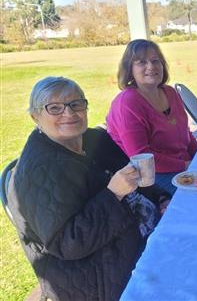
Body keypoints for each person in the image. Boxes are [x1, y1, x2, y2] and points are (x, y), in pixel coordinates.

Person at [7, 77, 170, 301]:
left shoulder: (95, 138)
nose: (69, 113)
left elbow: (133, 174)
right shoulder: (39, 171)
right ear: (35, 116)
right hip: (96, 272)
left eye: (76, 104)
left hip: (137, 232)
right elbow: (68, 244)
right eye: (55, 108)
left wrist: (160, 198)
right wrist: (114, 194)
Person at [107, 39, 197, 195]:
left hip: (185, 165)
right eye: (141, 62)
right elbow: (142, 158)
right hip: (153, 177)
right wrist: (186, 165)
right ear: (130, 69)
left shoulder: (170, 92)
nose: (151, 66)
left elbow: (186, 134)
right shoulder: (127, 103)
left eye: (155, 60)